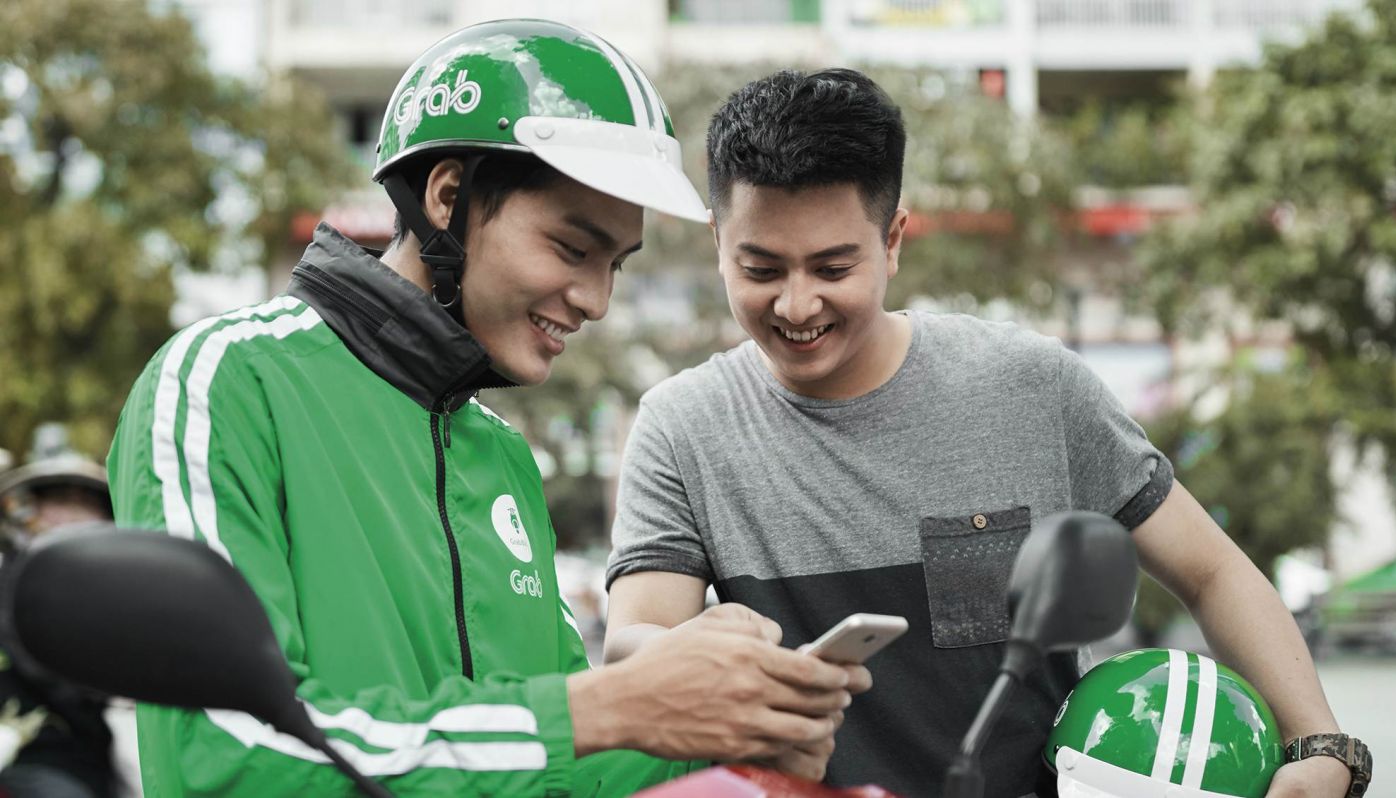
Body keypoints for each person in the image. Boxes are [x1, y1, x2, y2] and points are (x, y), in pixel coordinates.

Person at [107, 22, 861, 797]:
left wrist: (736, 738)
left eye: (615, 265)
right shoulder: (228, 380)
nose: (597, 300)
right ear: (446, 198)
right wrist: (605, 707)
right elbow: (225, 757)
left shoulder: (503, 457)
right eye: (572, 249)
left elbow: (563, 774)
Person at [604, 68, 1370, 797]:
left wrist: (1323, 744)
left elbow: (1211, 571)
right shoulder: (683, 428)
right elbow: (633, 643)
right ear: (716, 241)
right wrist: (702, 652)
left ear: (894, 239)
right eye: (762, 270)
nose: (797, 305)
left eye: (834, 268)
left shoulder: (1030, 385)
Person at [0, 442, 120, 798]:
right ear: (31, 510)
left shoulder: (119, 589)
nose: (69, 515)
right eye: (58, 500)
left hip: (79, 755)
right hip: (28, 757)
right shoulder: (10, 576)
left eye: (84, 502)